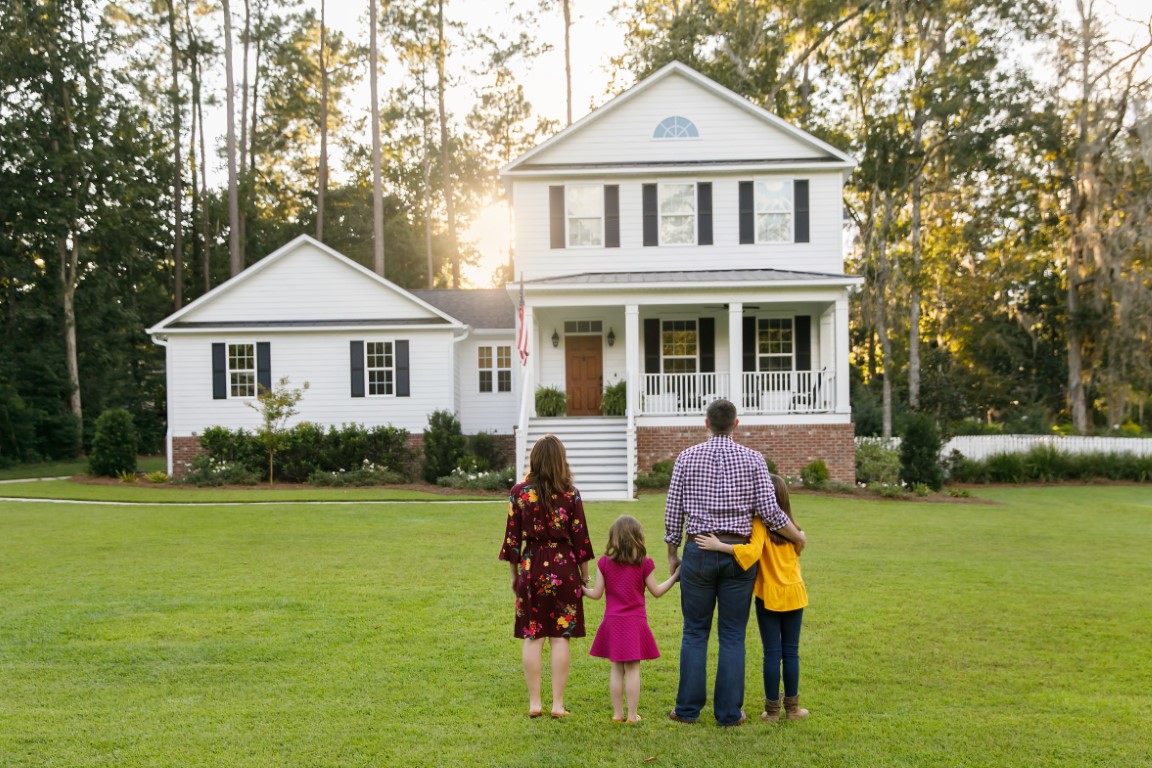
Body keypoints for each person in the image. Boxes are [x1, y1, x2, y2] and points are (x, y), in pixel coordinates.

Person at [664, 398, 807, 727]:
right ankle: (729, 713)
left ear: (706, 423)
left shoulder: (686, 459)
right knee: (732, 636)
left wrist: (673, 553)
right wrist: (797, 535)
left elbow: (673, 511)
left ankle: (686, 710)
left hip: (698, 550)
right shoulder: (754, 460)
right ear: (736, 424)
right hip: (739, 556)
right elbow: (771, 514)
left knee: (694, 633)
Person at [696, 473, 810, 721]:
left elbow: (752, 553)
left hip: (768, 596)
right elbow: (800, 545)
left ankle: (771, 712)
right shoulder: (795, 530)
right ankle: (793, 710)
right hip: (794, 594)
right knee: (791, 653)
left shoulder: (759, 524)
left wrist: (720, 546)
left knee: (772, 653)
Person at [499, 434, 594, 719]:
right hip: (565, 566)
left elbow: (512, 541)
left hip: (531, 565)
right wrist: (585, 579)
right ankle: (557, 704)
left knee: (533, 635)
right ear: (560, 460)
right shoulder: (571, 493)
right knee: (560, 636)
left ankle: (535, 703)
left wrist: (515, 576)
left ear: (535, 459)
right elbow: (581, 541)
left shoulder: (519, 493)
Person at [583, 515, 681, 724]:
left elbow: (596, 594)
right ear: (638, 537)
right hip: (635, 623)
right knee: (633, 668)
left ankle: (618, 714)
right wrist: (675, 577)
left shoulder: (604, 563)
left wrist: (581, 589)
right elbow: (656, 591)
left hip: (613, 622)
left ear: (614, 538)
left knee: (617, 669)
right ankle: (631, 716)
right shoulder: (643, 563)